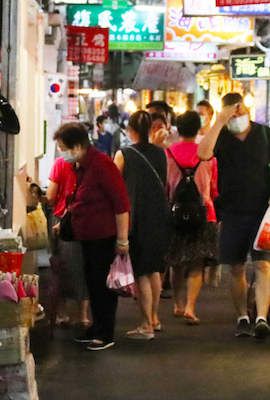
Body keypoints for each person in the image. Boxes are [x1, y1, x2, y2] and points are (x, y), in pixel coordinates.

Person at [198, 92, 270, 340]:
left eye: (238, 112)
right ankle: (242, 317)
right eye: (230, 113)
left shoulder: (264, 134)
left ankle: (261, 318)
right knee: (236, 267)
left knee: (263, 264)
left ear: (246, 109)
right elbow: (203, 154)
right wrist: (218, 122)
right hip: (231, 211)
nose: (235, 117)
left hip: (262, 209)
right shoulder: (222, 136)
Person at [54, 121, 131, 352]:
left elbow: (121, 203)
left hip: (104, 236)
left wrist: (122, 239)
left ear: (77, 146)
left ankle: (105, 333)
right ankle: (97, 327)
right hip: (87, 237)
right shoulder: (80, 166)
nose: (62, 153)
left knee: (103, 285)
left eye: (63, 147)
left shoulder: (101, 164)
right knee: (92, 283)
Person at [114, 110, 171, 340]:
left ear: (131, 131)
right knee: (154, 269)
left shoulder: (124, 154)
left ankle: (146, 325)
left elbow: (113, 184)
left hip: (136, 215)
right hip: (159, 214)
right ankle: (154, 318)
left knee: (142, 273)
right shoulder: (161, 153)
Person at [165, 110, 218, 325]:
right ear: (199, 130)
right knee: (197, 262)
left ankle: (177, 305)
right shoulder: (207, 154)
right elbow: (214, 188)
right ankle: (190, 307)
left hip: (175, 213)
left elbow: (165, 185)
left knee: (176, 262)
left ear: (178, 129)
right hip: (203, 212)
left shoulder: (168, 153)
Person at [47, 149, 89, 330]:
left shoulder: (59, 163)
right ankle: (83, 315)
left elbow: (50, 196)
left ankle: (62, 314)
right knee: (83, 266)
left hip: (62, 222)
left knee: (61, 267)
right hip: (85, 220)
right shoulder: (89, 163)